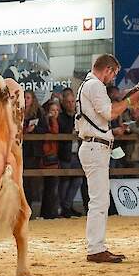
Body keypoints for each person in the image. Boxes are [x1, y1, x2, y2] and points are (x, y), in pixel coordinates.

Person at [75, 54, 138, 263]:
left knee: (100, 200)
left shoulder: (88, 85)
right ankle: (95, 248)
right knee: (99, 201)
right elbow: (109, 113)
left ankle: (97, 246)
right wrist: (129, 101)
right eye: (114, 73)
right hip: (95, 147)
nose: (113, 78)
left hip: (94, 147)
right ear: (108, 69)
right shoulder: (95, 85)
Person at [56, 88, 82, 217]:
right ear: (64, 103)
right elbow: (61, 132)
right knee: (65, 181)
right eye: (68, 102)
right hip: (65, 153)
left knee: (78, 180)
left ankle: (67, 205)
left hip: (78, 153)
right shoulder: (61, 117)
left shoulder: (80, 116)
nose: (71, 104)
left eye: (73, 101)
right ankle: (64, 207)